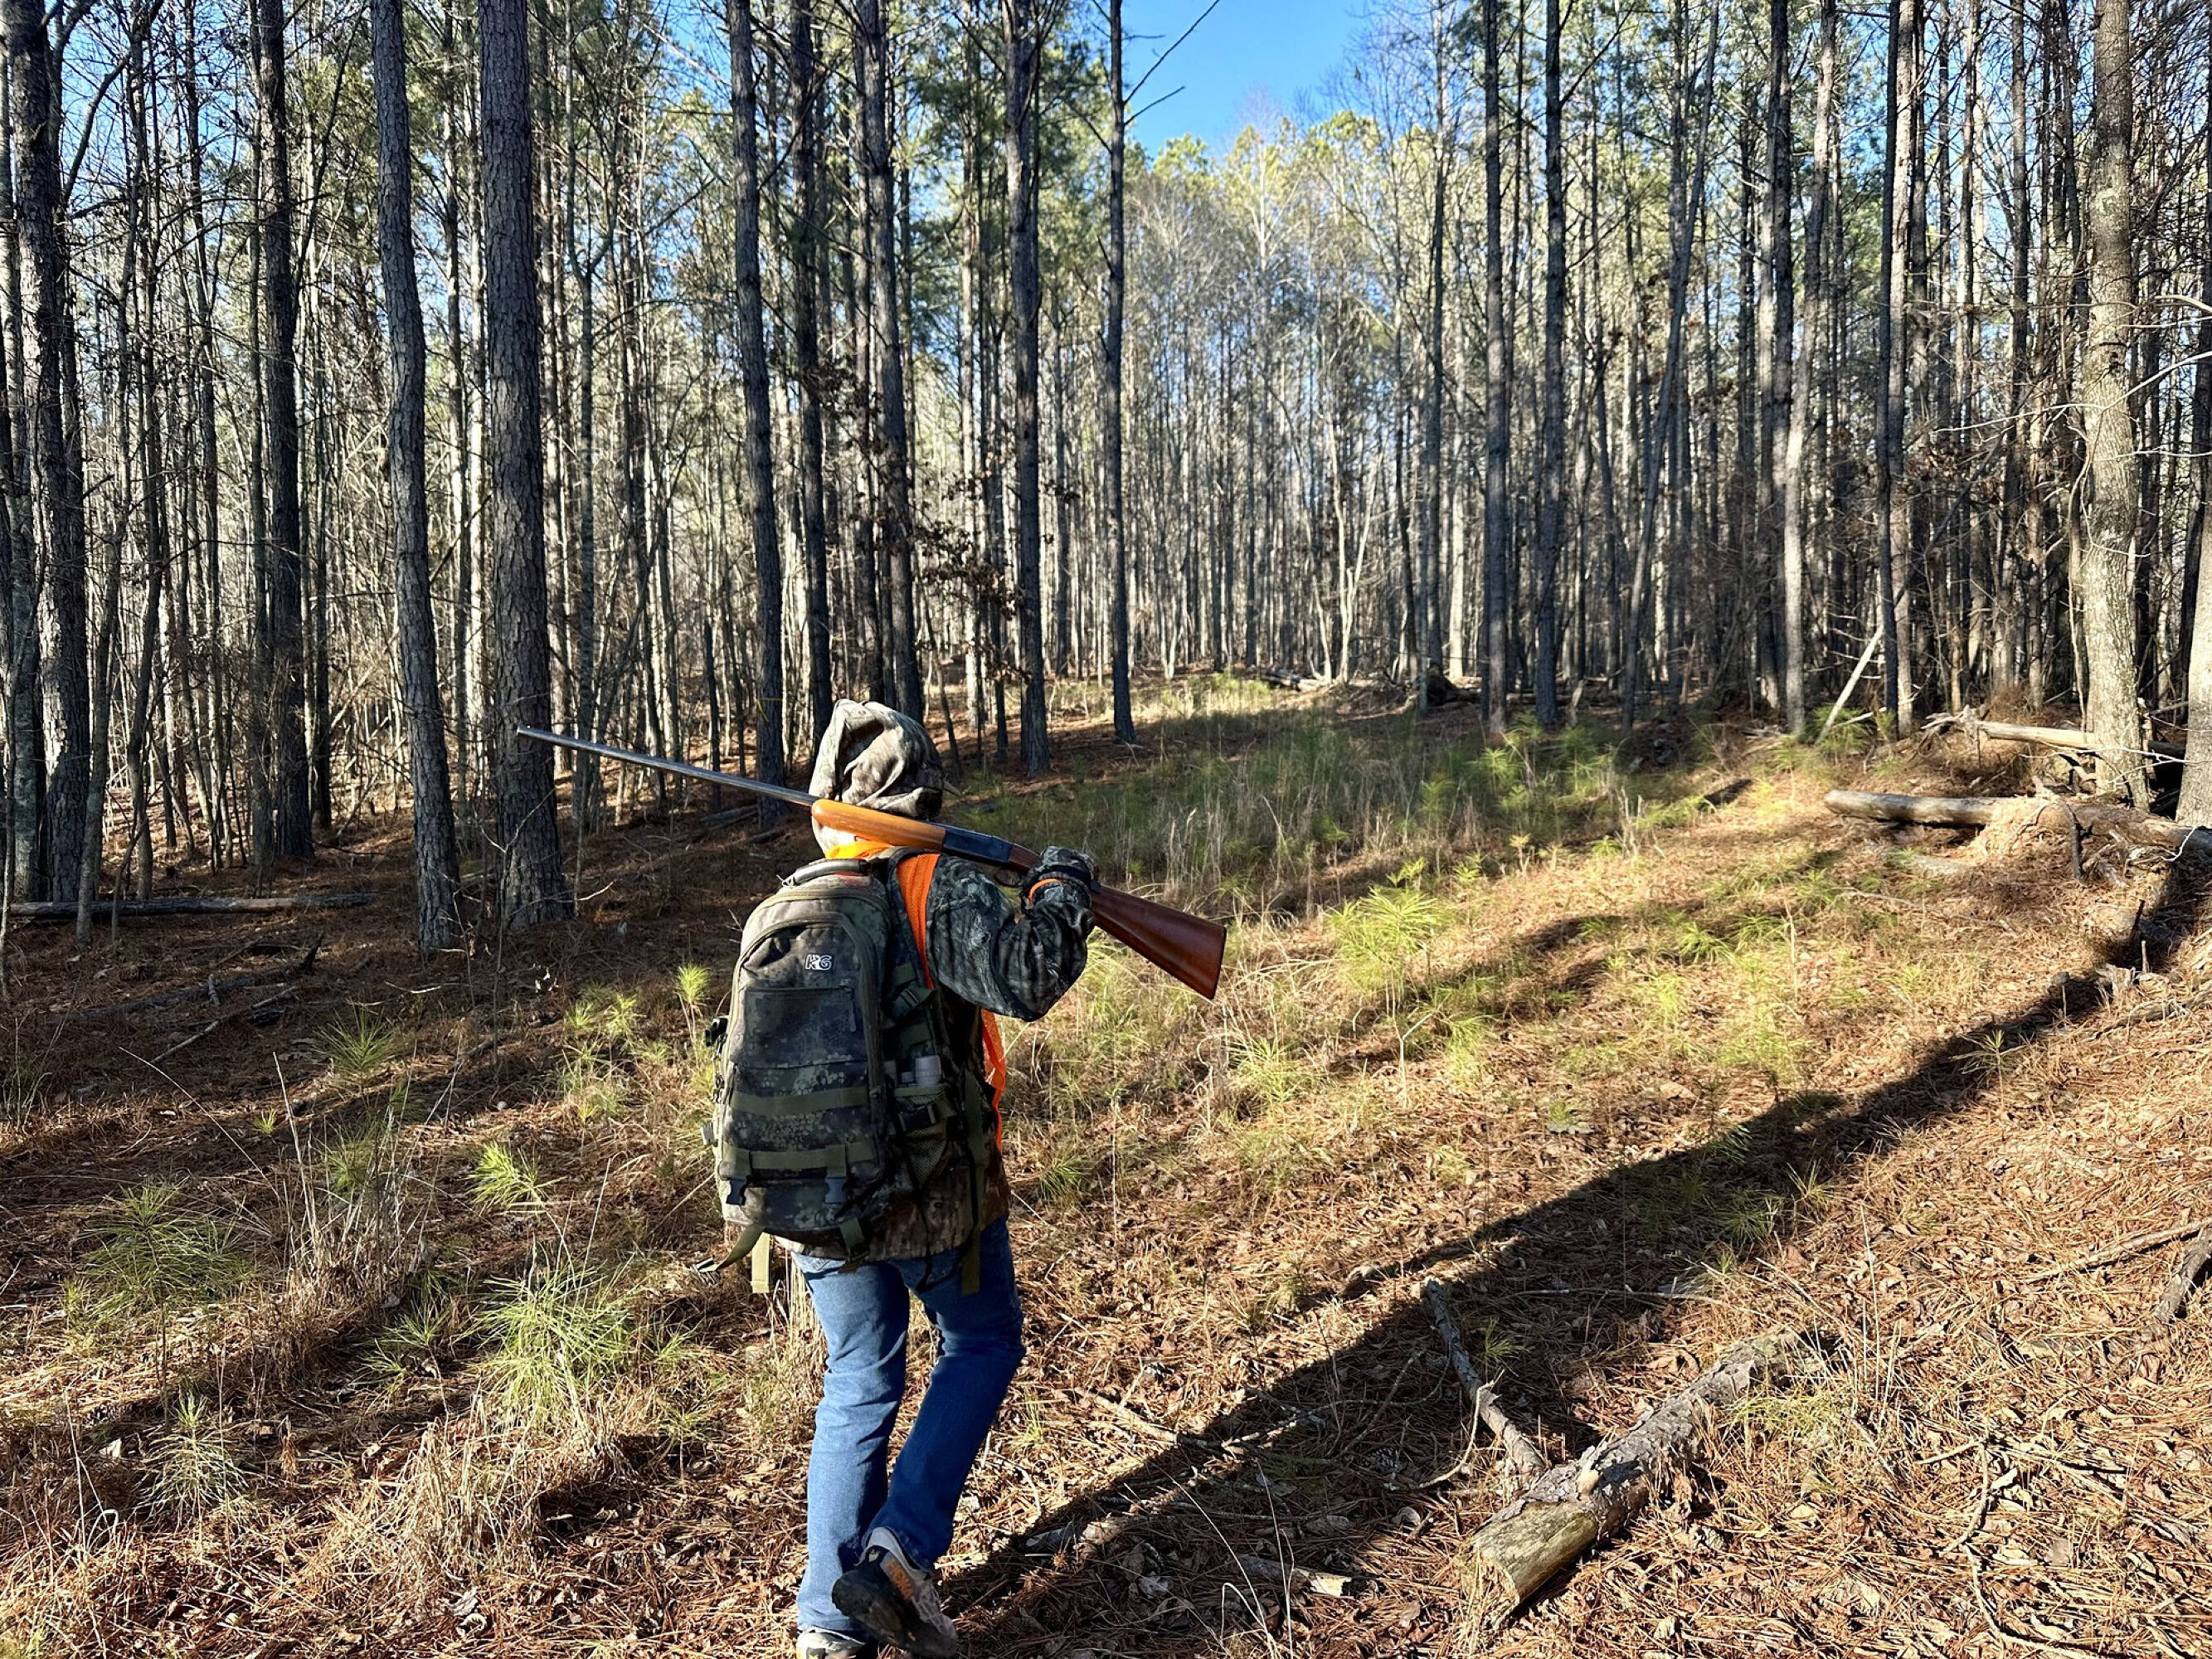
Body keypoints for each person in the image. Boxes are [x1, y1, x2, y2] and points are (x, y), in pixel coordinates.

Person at [786, 701, 1096, 1659]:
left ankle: (828, 1623)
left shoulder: (793, 900)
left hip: (814, 1201)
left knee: (857, 1378)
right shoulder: (933, 883)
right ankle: (896, 1554)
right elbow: (1029, 974)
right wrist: (1062, 888)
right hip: (931, 1198)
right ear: (924, 795)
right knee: (983, 1342)